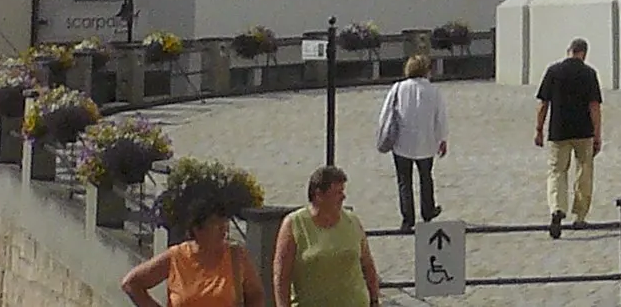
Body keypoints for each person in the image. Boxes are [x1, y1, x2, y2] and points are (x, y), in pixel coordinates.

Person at [121, 180, 266, 307]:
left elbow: (255, 295)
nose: (224, 229)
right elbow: (131, 284)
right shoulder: (177, 257)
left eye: (225, 222)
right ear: (197, 228)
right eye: (215, 223)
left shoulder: (236, 256)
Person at [272, 170, 379, 307]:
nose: (343, 197)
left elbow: (368, 265)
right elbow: (281, 276)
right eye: (338, 193)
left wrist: (375, 299)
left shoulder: (352, 221)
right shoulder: (295, 224)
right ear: (319, 195)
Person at [533, 38, 602, 237]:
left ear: (569, 51)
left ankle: (557, 208)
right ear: (584, 53)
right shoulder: (589, 73)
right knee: (584, 172)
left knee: (556, 171)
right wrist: (597, 134)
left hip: (558, 130)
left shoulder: (553, 71)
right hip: (583, 131)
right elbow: (594, 106)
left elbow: (543, 103)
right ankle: (580, 217)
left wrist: (539, 129)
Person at [374, 53, 449, 232]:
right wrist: (442, 138)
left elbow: (386, 113)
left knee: (404, 181)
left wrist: (383, 132)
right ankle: (428, 210)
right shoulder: (433, 91)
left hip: (402, 142)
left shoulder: (399, 88)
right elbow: (441, 118)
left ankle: (408, 219)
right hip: (426, 142)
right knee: (426, 177)